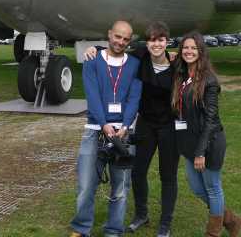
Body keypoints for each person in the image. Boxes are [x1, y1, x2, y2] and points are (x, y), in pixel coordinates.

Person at [84, 21, 178, 237]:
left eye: (161, 40)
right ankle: (141, 214)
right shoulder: (141, 57)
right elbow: (116, 48)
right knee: (137, 172)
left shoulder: (177, 65)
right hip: (146, 124)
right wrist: (94, 48)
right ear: (147, 43)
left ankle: (165, 223)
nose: (156, 44)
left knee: (168, 175)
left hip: (168, 126)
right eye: (152, 40)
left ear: (167, 42)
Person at [69, 20, 143, 237]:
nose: (120, 42)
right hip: (95, 130)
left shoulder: (135, 65)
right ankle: (81, 227)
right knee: (86, 184)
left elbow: (134, 98)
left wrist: (126, 125)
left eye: (125, 39)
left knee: (120, 188)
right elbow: (92, 95)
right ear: (110, 34)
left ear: (129, 41)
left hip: (123, 134)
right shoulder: (92, 60)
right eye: (117, 36)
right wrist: (103, 124)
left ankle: (113, 230)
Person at [171, 32, 241, 237]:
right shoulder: (182, 74)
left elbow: (211, 119)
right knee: (197, 188)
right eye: (185, 47)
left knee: (212, 188)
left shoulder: (209, 80)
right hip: (189, 141)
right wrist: (96, 50)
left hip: (209, 143)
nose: (189, 51)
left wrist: (201, 152)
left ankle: (213, 233)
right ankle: (232, 221)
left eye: (193, 48)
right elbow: (150, 53)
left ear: (201, 52)